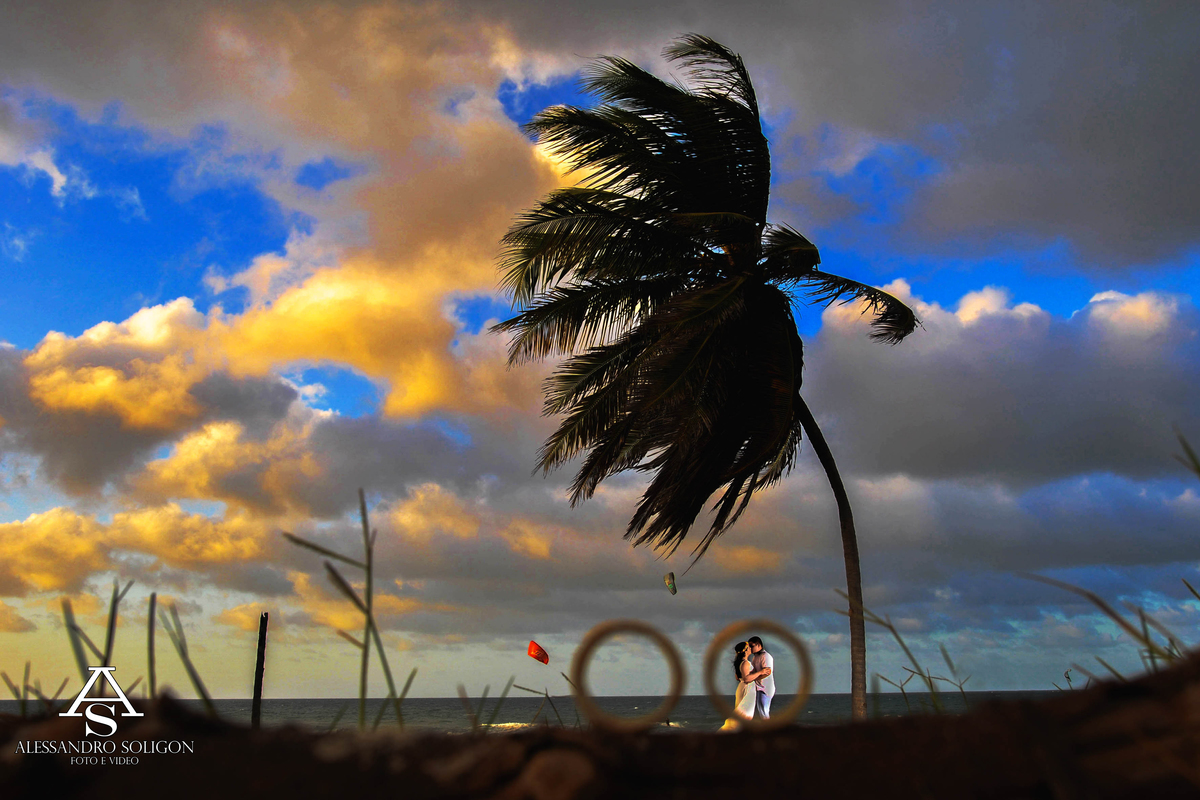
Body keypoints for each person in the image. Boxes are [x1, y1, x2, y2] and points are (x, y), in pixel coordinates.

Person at [719, 641, 772, 731]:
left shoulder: (740, 663)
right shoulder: (745, 663)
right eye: (749, 647)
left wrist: (760, 675)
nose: (751, 648)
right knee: (745, 715)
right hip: (747, 688)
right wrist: (761, 672)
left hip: (744, 687)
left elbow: (738, 677)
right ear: (746, 650)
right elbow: (747, 678)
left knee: (744, 714)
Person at [749, 636, 775, 719]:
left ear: (758, 645)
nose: (750, 648)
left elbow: (767, 672)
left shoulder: (766, 656)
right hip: (759, 687)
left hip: (765, 688)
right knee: (762, 712)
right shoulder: (755, 657)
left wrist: (752, 678)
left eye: (752, 646)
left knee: (764, 712)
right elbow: (753, 671)